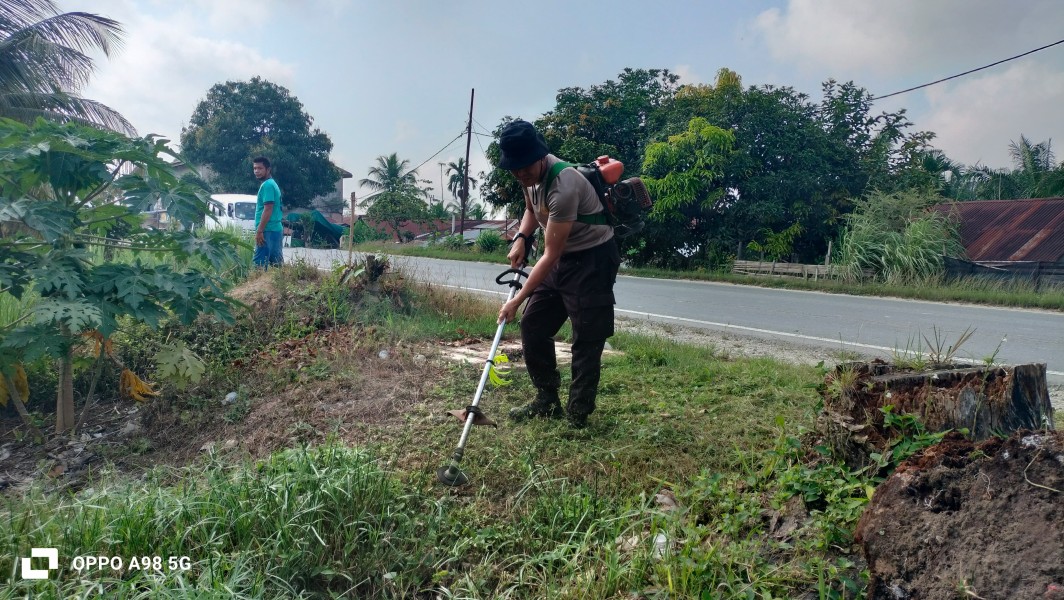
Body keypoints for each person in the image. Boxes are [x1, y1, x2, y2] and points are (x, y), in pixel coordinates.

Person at [496, 120, 620, 429]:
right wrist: (522, 238)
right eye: (515, 169)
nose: (521, 175)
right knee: (534, 324)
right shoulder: (527, 177)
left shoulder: (563, 185)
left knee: (587, 336)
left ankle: (578, 415)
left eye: (525, 167)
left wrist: (516, 300)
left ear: (540, 156)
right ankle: (546, 399)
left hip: (592, 258)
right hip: (563, 256)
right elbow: (531, 209)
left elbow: (549, 256)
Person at [252, 156, 284, 269]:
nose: (256, 171)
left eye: (260, 168)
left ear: (268, 169)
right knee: (277, 267)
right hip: (276, 229)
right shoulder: (272, 184)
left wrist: (260, 231)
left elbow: (268, 209)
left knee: (259, 266)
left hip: (267, 231)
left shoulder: (267, 185)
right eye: (255, 168)